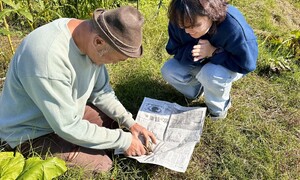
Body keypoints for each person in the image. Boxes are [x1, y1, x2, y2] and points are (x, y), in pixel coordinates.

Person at [0, 6, 156, 172]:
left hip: (65, 112)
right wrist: (123, 141)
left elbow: (102, 92)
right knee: (101, 165)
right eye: (115, 60)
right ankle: (24, 151)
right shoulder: (48, 59)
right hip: (30, 132)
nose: (114, 64)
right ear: (98, 42)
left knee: (113, 123)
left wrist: (130, 123)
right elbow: (67, 126)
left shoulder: (90, 39)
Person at [161, 0, 258, 120]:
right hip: (198, 61)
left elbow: (246, 65)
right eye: (183, 26)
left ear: (211, 14)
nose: (187, 31)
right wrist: (196, 50)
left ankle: (217, 110)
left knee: (210, 74)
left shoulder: (234, 28)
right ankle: (196, 92)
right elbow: (173, 49)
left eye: (195, 25)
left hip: (228, 65)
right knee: (169, 70)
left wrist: (213, 52)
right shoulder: (179, 18)